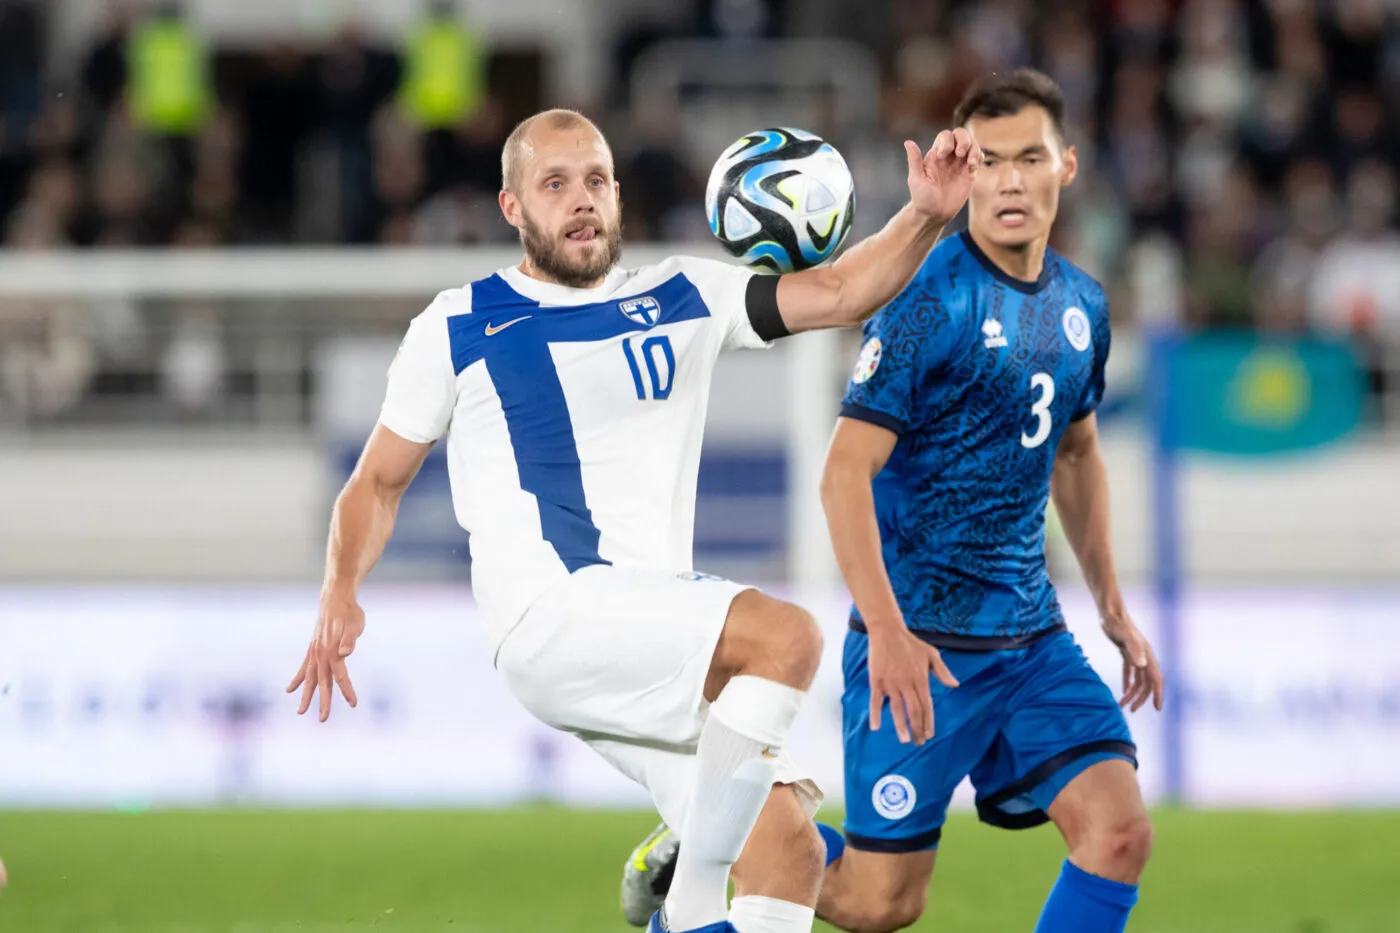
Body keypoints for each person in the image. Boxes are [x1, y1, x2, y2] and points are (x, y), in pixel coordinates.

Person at [286, 108, 981, 933]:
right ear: (512, 207)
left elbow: (841, 290)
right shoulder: (455, 324)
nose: (580, 201)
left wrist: (930, 214)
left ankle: (683, 892)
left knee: (791, 848)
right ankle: (687, 897)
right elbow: (376, 483)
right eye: (553, 185)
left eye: (594, 182)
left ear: (617, 194)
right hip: (550, 612)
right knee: (786, 637)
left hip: (652, 627)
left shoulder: (682, 293)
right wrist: (340, 589)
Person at [620, 69, 1164, 933]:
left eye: (1030, 158)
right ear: (966, 172)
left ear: (1066, 164)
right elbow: (844, 473)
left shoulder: (1082, 307)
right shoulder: (925, 300)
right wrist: (889, 630)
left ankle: (722, 833)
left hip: (1031, 641)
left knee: (1120, 832)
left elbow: (1078, 449)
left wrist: (1112, 605)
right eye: (988, 162)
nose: (1011, 180)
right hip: (920, 648)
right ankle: (716, 834)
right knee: (880, 905)